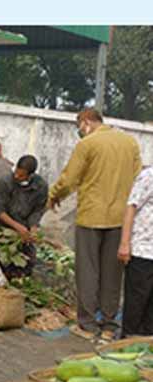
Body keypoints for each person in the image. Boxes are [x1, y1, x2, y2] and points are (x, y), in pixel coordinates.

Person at [48, 109, 142, 342]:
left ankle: (87, 325)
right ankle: (109, 326)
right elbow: (139, 177)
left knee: (88, 272)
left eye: (79, 126)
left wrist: (54, 195)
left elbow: (70, 178)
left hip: (91, 216)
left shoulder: (88, 144)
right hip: (120, 218)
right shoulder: (130, 143)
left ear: (86, 122)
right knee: (113, 274)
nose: (79, 131)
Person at [0, 155, 48, 279]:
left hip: (24, 230)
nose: (16, 177)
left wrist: (33, 227)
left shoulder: (41, 186)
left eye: (21, 176)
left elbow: (38, 210)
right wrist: (17, 227)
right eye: (16, 172)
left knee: (27, 263)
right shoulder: (4, 183)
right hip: (2, 227)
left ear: (30, 175)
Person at [118, 166, 153, 337]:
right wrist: (125, 243)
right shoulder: (149, 176)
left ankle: (146, 349)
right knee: (136, 302)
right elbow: (131, 207)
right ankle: (127, 341)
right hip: (143, 250)